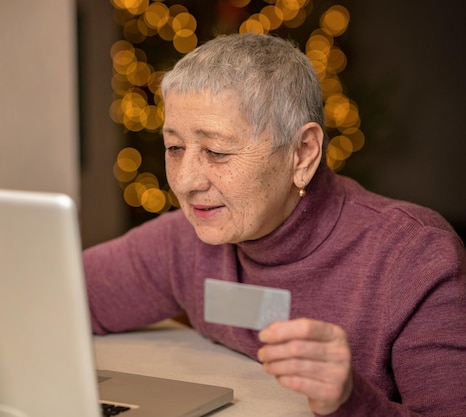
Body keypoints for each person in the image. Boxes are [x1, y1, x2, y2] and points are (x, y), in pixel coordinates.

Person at [83, 33, 466, 416]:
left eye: (216, 151)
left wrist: (351, 400)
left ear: (302, 154)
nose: (184, 181)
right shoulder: (183, 242)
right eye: (175, 148)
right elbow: (57, 292)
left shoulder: (414, 258)